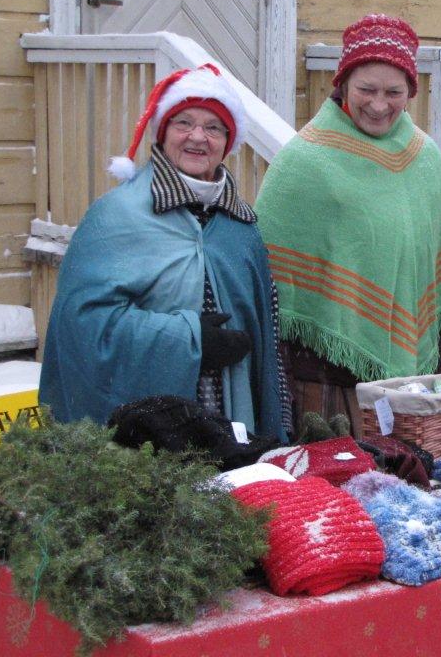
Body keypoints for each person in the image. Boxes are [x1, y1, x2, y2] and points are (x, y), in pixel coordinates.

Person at [39, 63, 291, 443]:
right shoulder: (116, 217)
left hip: (232, 415)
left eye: (213, 127)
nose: (198, 137)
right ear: (163, 131)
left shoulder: (241, 227)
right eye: (183, 123)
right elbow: (82, 325)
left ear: (227, 141)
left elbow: (266, 336)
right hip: (147, 432)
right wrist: (188, 341)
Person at [254, 14, 441, 434]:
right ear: (342, 85)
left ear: (411, 91)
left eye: (394, 92)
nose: (379, 105)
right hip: (324, 386)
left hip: (414, 392)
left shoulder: (424, 158)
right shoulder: (303, 162)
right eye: (366, 89)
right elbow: (269, 288)